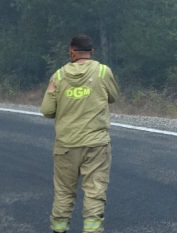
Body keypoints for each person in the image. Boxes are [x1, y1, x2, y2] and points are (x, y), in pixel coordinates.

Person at [41, 34, 119, 233]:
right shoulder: (103, 71)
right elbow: (113, 97)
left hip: (66, 144)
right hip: (96, 143)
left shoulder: (58, 76)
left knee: (64, 193)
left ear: (71, 51)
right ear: (92, 52)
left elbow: (47, 110)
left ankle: (59, 229)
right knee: (94, 192)